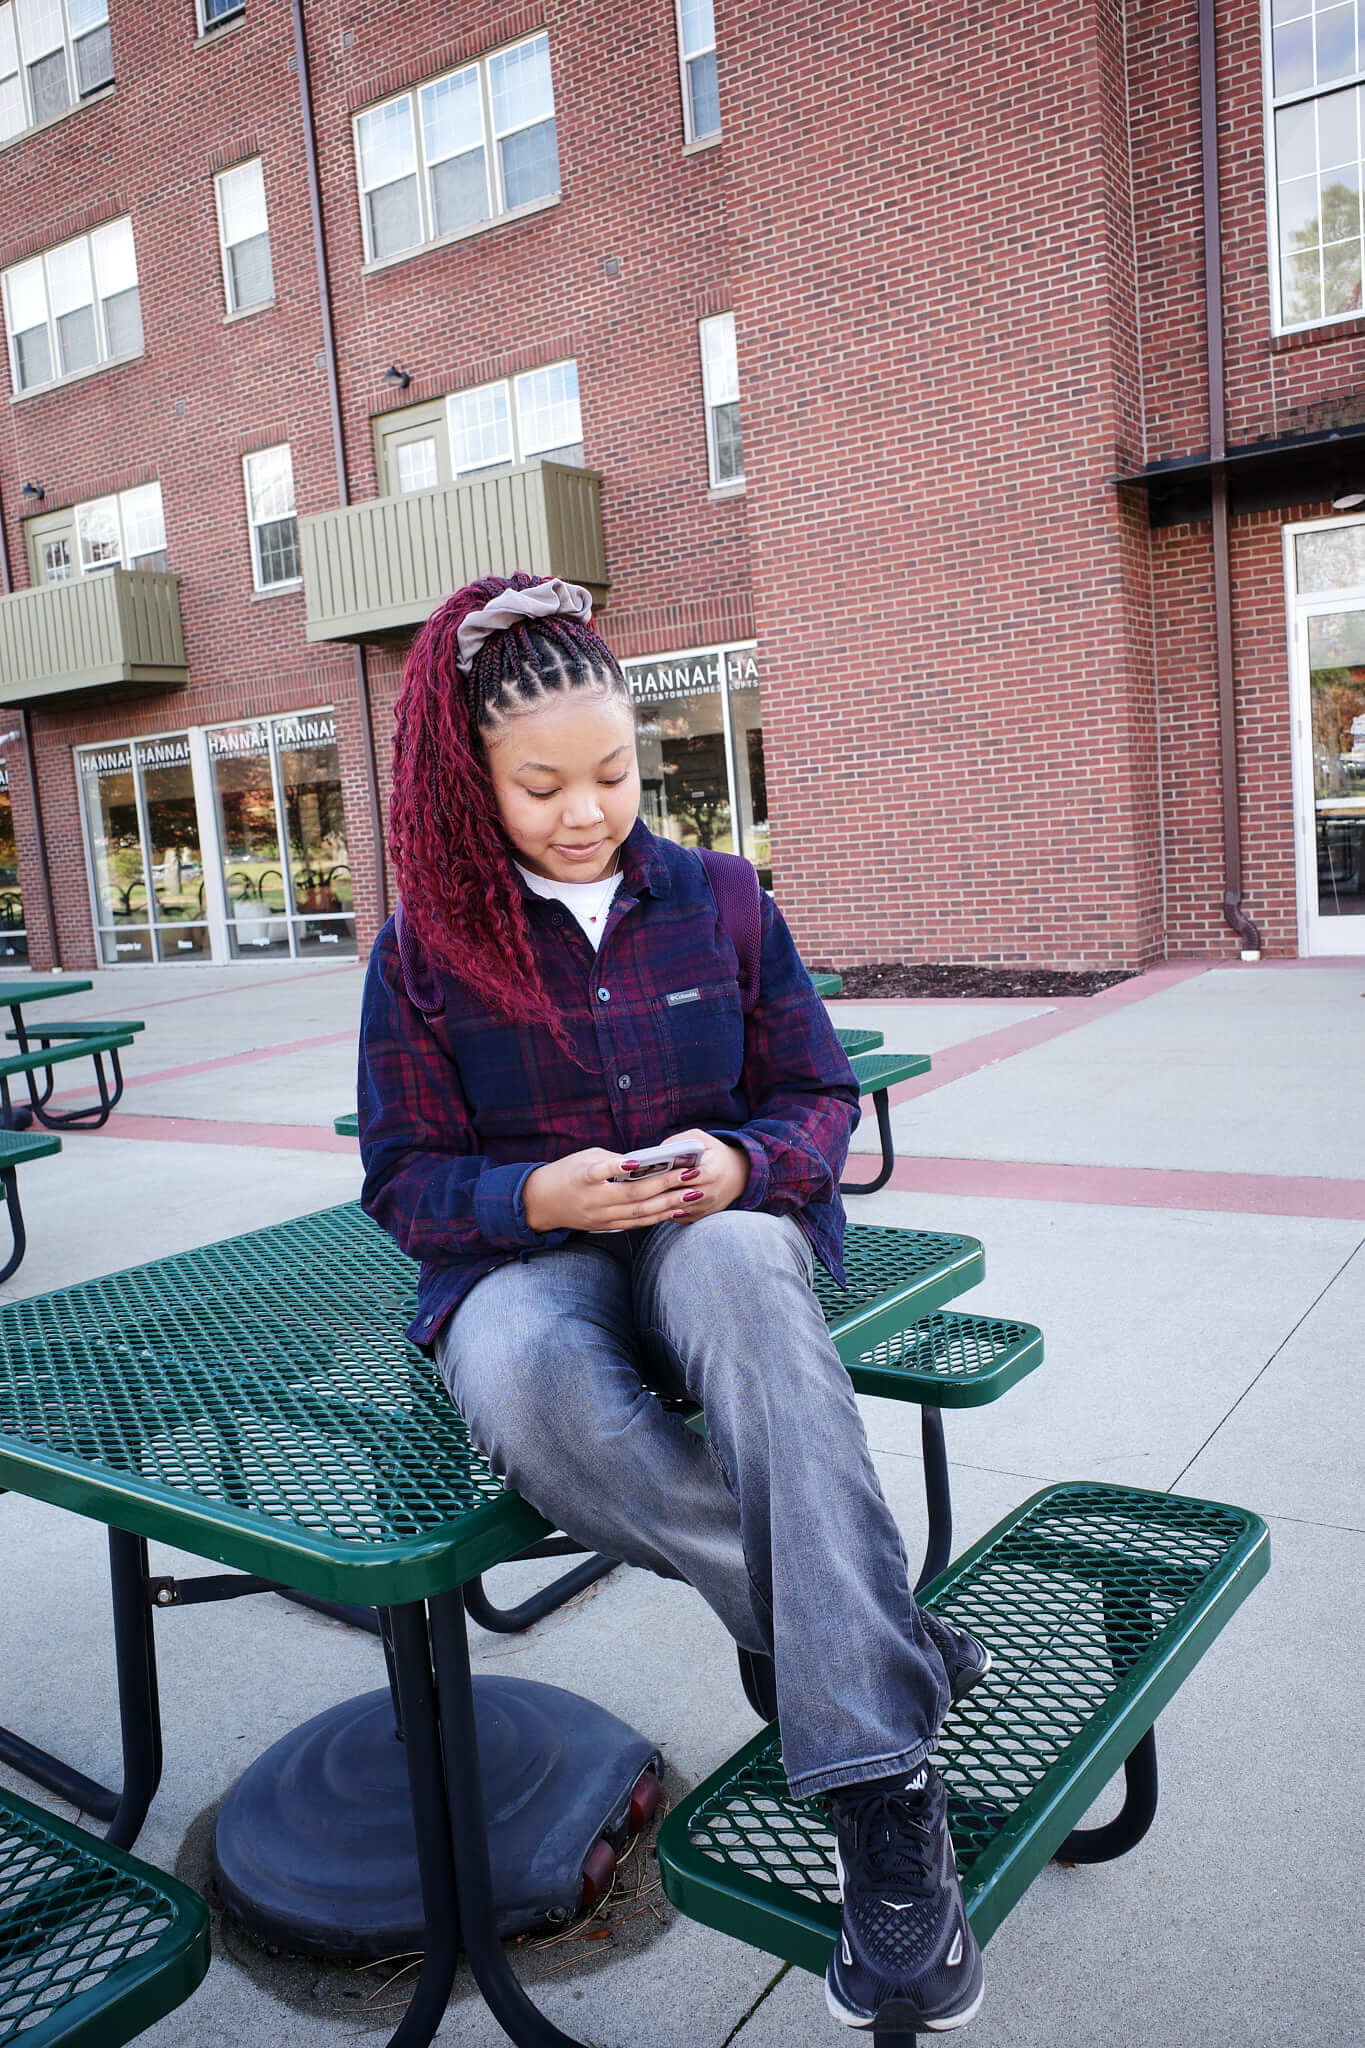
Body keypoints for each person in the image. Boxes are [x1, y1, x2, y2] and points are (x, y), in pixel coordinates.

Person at [358, 570, 989, 2034]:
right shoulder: (426, 950)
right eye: (540, 786)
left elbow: (821, 1098)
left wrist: (741, 1159)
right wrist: (533, 1200)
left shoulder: (718, 896)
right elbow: (400, 1181)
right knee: (522, 1384)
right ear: (473, 777)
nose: (585, 810)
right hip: (531, 1261)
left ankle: (877, 1796)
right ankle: (869, 1649)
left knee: (752, 1264)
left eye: (614, 773)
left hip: (711, 1234)